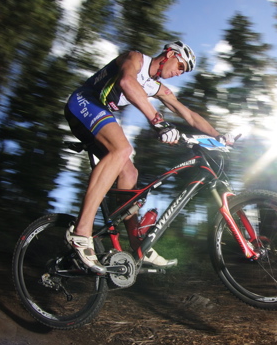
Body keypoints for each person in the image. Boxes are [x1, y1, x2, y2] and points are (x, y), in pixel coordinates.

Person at [64, 41, 233, 274]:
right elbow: (126, 82)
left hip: (98, 114)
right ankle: (81, 232)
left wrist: (219, 137)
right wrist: (157, 121)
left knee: (130, 173)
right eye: (180, 66)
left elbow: (189, 115)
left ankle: (138, 247)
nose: (178, 73)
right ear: (169, 54)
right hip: (84, 102)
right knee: (122, 149)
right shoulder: (135, 59)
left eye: (183, 71)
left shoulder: (156, 87)